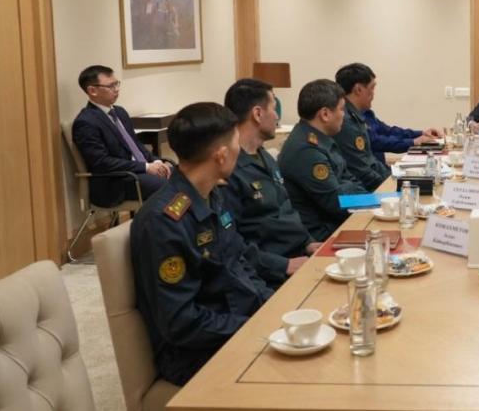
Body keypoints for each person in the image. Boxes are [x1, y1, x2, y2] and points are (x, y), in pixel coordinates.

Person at [130, 102, 273, 386]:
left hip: (238, 323)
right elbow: (181, 323)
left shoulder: (210, 194)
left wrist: (272, 307)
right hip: (198, 353)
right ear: (221, 155)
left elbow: (238, 261)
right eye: (236, 143)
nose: (240, 150)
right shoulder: (164, 222)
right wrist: (255, 327)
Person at [221, 79, 320, 288]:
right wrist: (284, 265)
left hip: (300, 254)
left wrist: (309, 242)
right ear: (257, 114)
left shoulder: (265, 156)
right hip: (271, 273)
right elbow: (232, 243)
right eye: (274, 108)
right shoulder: (229, 170)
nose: (277, 117)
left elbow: (286, 209)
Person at [278, 79, 368, 241]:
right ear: (325, 114)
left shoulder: (321, 139)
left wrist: (350, 189)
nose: (344, 115)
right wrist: (368, 199)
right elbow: (337, 202)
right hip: (324, 234)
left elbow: (351, 179)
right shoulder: (307, 150)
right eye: (341, 109)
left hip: (339, 222)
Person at [71, 65, 171, 206]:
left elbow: (135, 144)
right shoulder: (86, 122)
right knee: (168, 186)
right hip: (116, 182)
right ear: (92, 91)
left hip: (136, 172)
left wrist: (155, 161)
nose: (116, 89)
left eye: (116, 84)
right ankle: (161, 220)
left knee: (185, 176)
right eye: (110, 86)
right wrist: (145, 167)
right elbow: (102, 162)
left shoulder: (120, 112)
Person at [333, 63, 392, 191]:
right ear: (358, 89)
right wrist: (392, 187)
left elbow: (371, 162)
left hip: (364, 187)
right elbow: (361, 171)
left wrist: (393, 178)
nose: (373, 94)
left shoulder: (357, 116)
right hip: (360, 190)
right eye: (372, 88)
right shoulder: (346, 122)